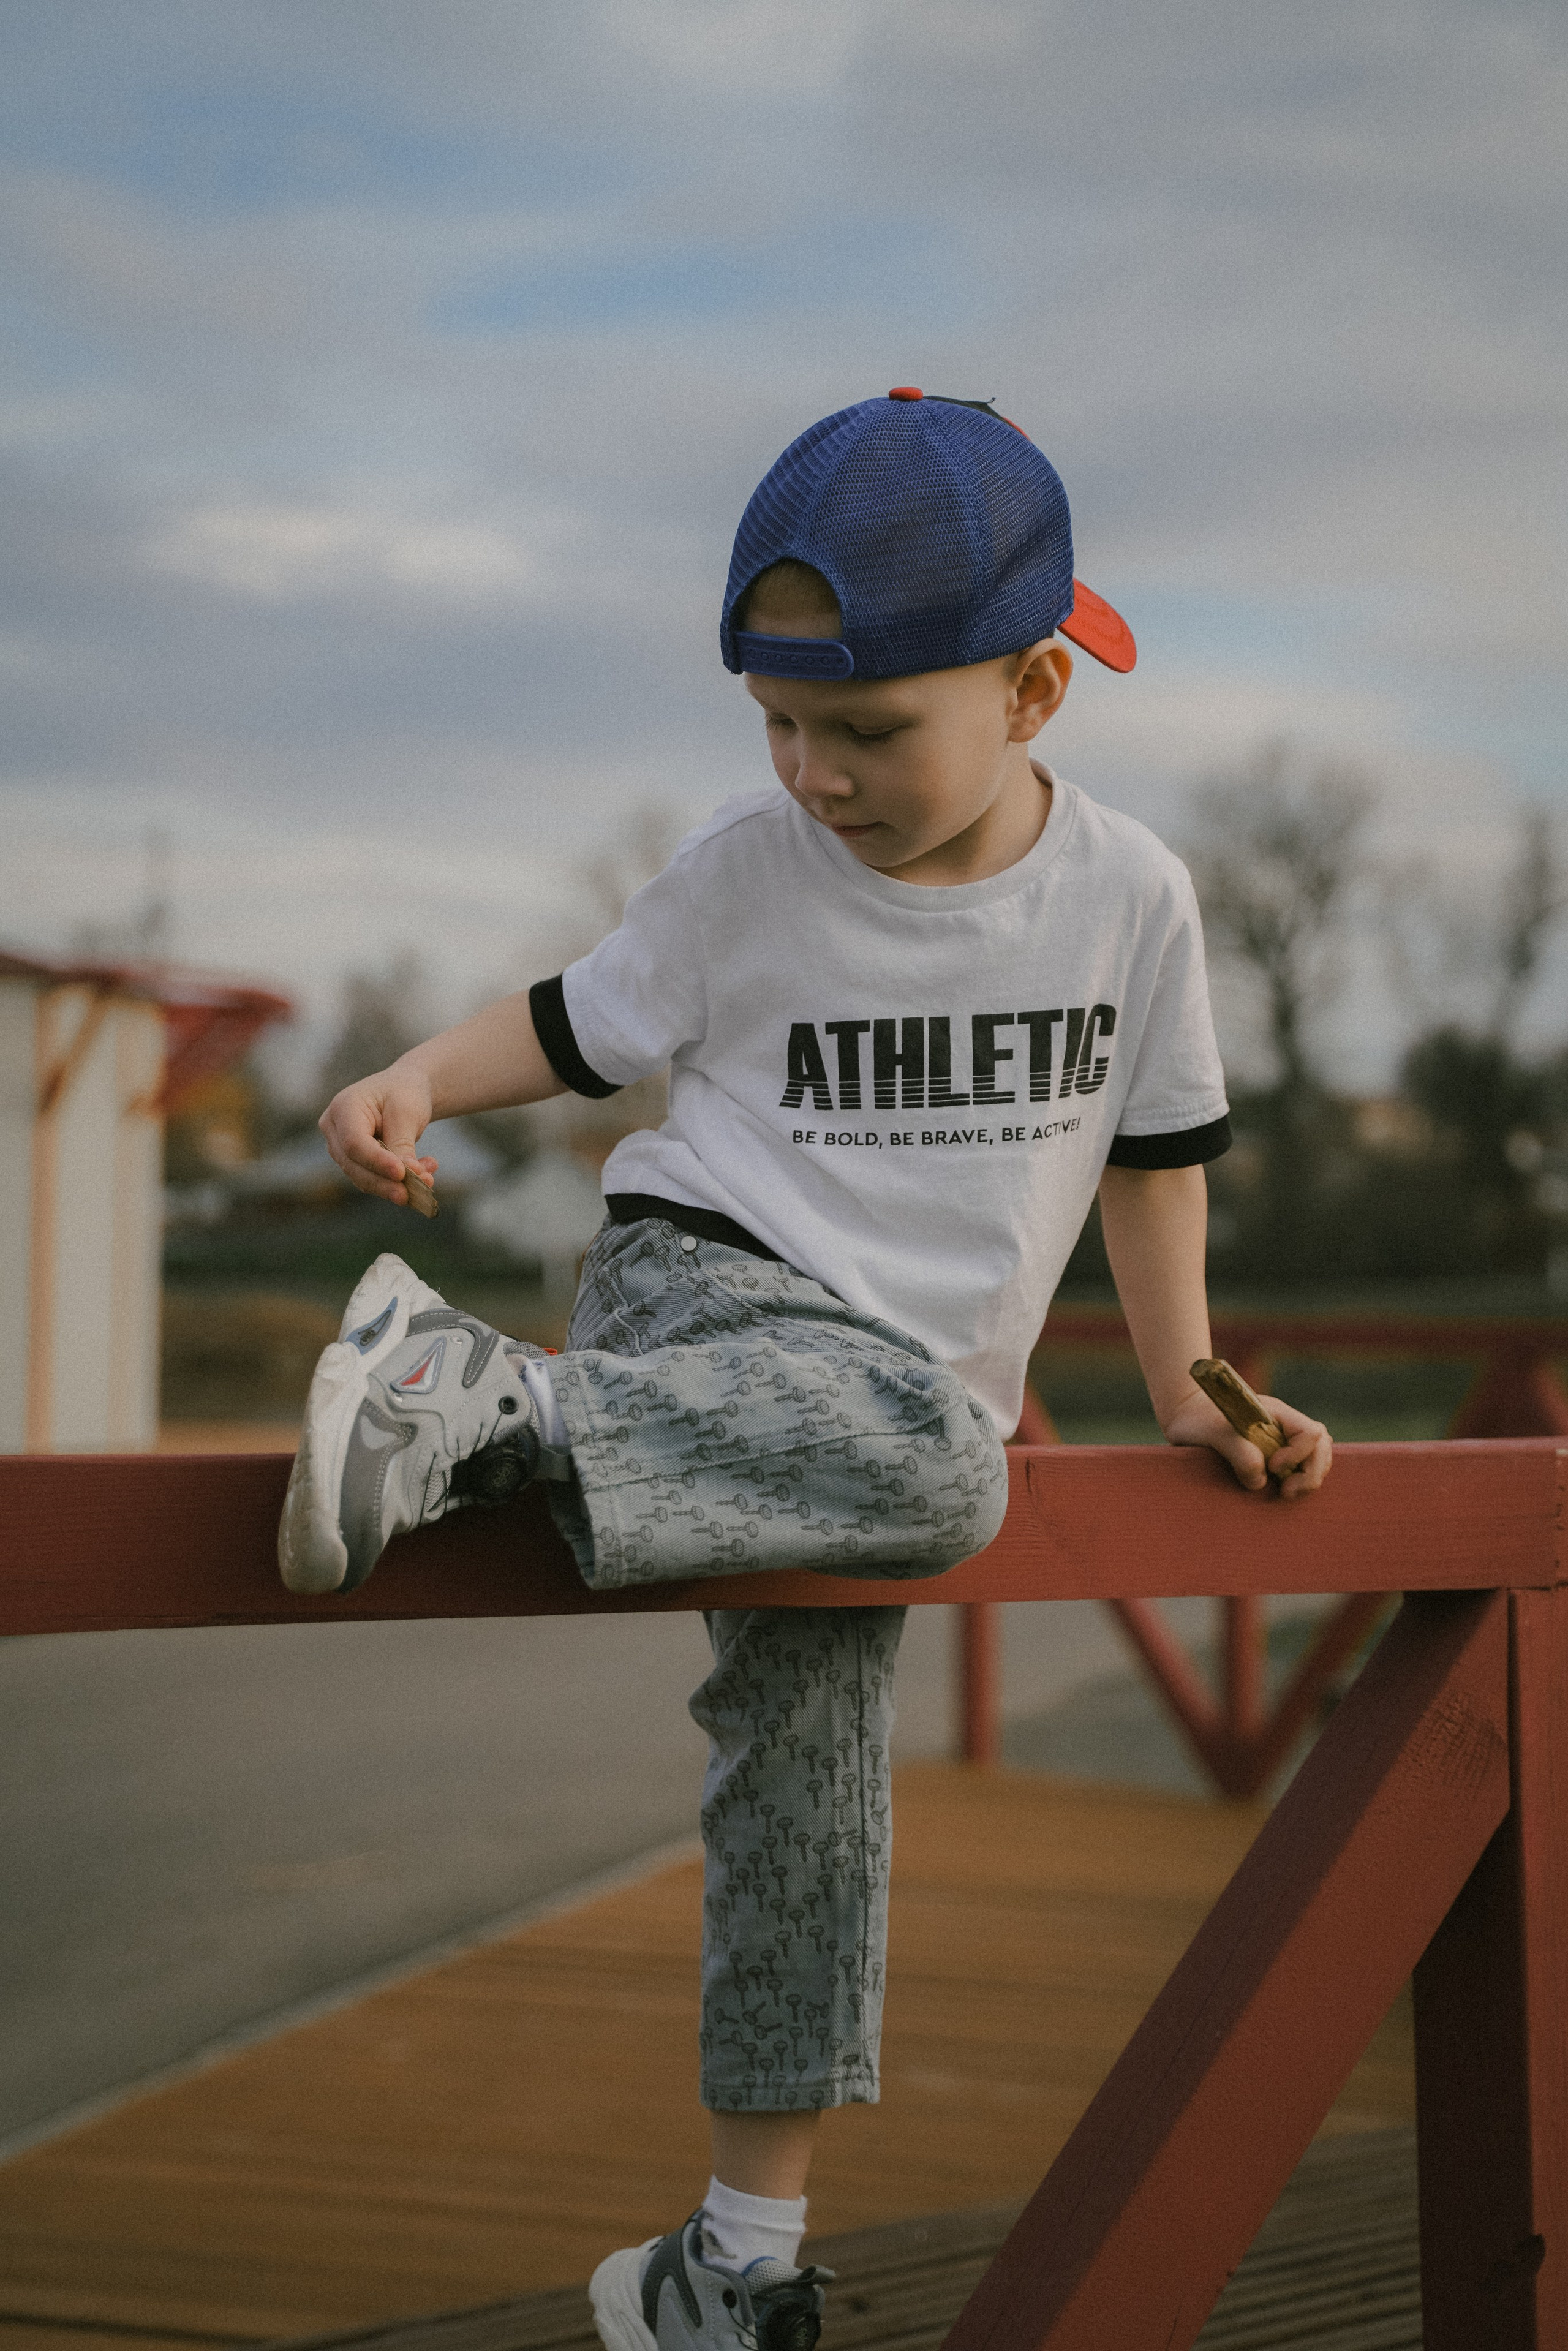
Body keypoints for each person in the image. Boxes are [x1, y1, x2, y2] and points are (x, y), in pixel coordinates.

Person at [280, 388, 1332, 2351]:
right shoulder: (746, 871)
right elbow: (581, 1027)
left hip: (878, 1404)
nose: (812, 775)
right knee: (957, 1473)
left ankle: (731, 2270)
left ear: (1031, 692)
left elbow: (1156, 1161)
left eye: (862, 731)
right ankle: (485, 1393)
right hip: (704, 1300)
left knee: (818, 1772)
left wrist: (1191, 1382)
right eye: (777, 725)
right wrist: (418, 1073)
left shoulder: (1132, 903)